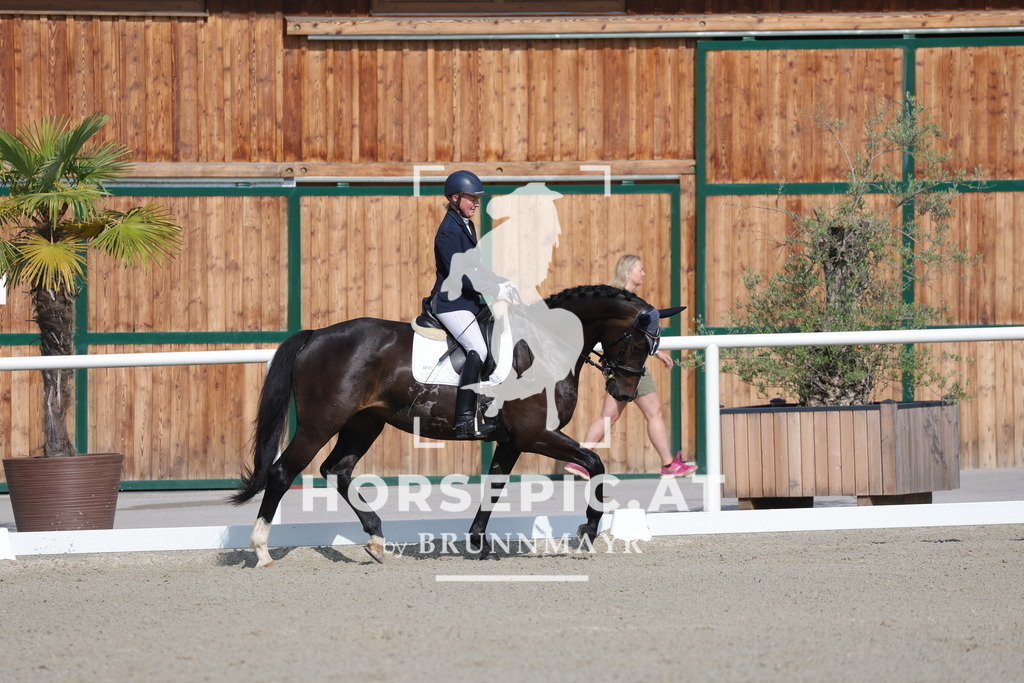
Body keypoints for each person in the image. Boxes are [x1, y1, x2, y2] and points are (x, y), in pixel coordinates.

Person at [567, 254, 697, 478]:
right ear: (628, 272)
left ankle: (580, 459)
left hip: (620, 367)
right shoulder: (622, 302)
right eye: (640, 269)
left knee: (609, 416)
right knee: (653, 413)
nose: (644, 273)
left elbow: (632, 336)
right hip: (630, 369)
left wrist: (656, 352)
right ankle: (669, 465)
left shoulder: (617, 299)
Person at [427, 170, 503, 439]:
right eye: (472, 198)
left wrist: (501, 282)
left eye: (477, 198)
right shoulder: (449, 231)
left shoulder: (465, 224)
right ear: (455, 197)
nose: (476, 203)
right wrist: (491, 287)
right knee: (479, 350)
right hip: (451, 303)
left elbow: (476, 267)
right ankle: (463, 420)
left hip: (467, 301)